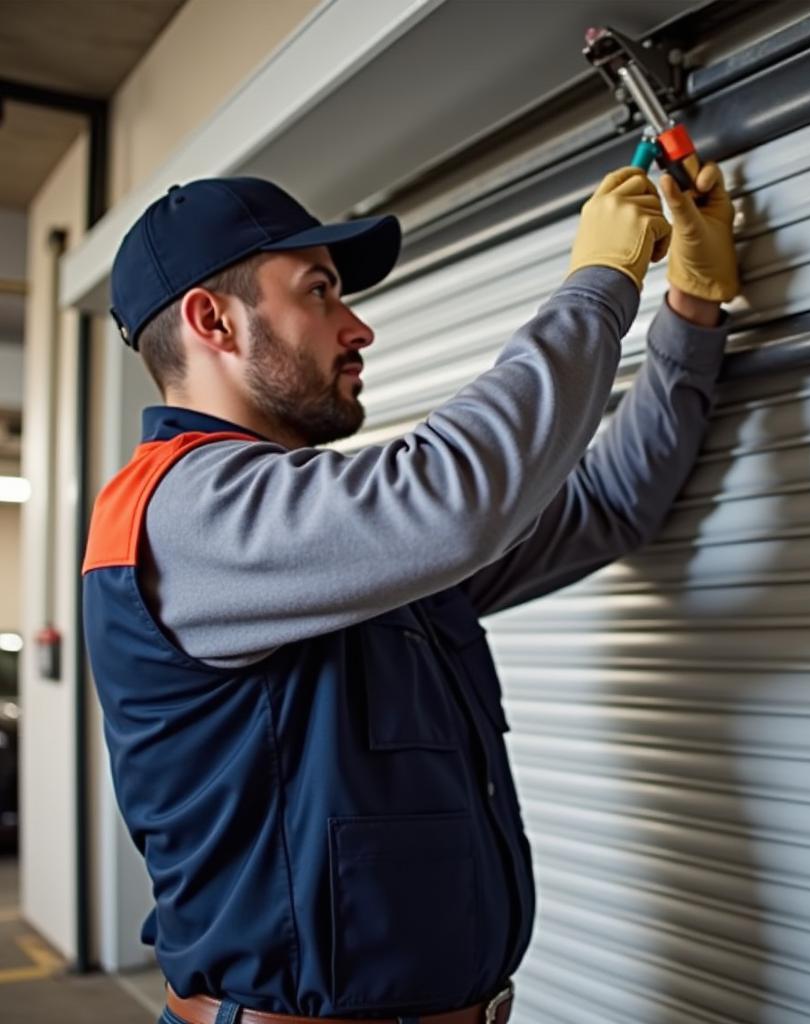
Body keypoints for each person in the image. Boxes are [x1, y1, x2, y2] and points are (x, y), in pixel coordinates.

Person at [83, 161, 738, 1024]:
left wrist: (690, 309)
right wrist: (599, 285)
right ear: (214, 320)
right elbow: (456, 500)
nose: (359, 329)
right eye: (319, 292)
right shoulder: (177, 513)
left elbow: (607, 506)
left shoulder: (335, 536)